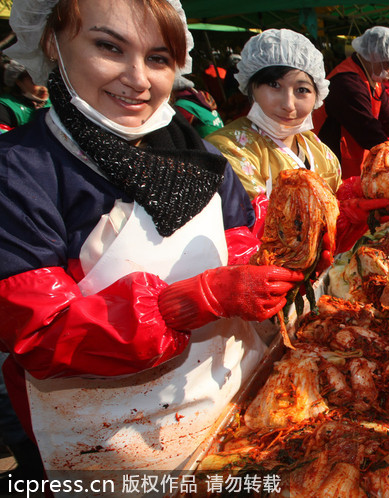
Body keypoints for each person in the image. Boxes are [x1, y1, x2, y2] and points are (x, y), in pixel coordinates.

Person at [0, 0, 305, 475]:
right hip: (106, 448)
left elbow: (249, 246)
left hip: (231, 411)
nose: (139, 78)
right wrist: (189, 302)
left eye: (158, 58)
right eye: (109, 47)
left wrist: (319, 232)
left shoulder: (199, 156)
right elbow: (38, 331)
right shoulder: (20, 173)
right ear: (50, 42)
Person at [205, 29, 341, 199]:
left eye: (302, 90)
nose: (288, 105)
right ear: (250, 88)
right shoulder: (226, 150)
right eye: (274, 85)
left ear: (317, 95)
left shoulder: (317, 148)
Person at [316, 26, 389, 179]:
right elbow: (368, 130)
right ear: (373, 56)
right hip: (332, 157)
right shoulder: (346, 82)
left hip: (356, 154)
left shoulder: (373, 78)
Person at [0, 59, 49, 132]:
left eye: (44, 79)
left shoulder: (55, 96)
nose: (43, 87)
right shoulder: (6, 107)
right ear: (19, 82)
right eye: (35, 82)